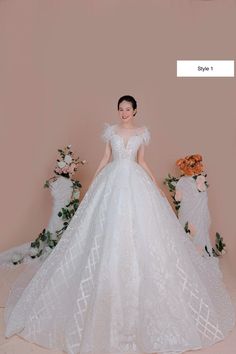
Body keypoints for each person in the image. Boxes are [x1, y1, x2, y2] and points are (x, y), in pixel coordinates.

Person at [4, 95, 235, 354]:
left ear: (135, 111)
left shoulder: (142, 133)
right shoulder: (110, 132)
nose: (124, 112)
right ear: (118, 111)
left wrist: (157, 186)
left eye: (128, 109)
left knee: (142, 233)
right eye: (121, 109)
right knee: (104, 233)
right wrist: (93, 184)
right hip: (111, 181)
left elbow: (142, 162)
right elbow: (105, 158)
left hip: (135, 181)